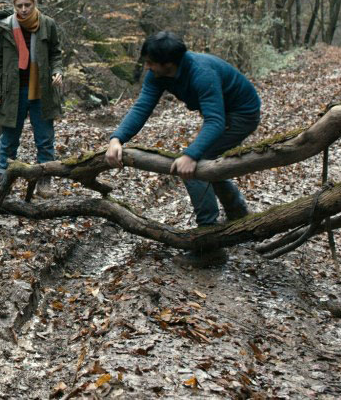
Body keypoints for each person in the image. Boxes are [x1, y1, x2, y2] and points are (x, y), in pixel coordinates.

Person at [105, 31, 260, 267]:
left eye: (150, 63)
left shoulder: (202, 73)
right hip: (222, 114)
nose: (147, 67)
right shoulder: (158, 75)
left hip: (241, 114)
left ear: (168, 64)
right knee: (206, 162)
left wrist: (190, 155)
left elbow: (215, 122)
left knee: (195, 168)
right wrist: (117, 139)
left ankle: (210, 244)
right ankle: (238, 214)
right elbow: (142, 107)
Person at [0, 0, 64, 190]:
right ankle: (4, 181)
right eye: (19, 5)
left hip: (41, 90)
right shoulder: (4, 27)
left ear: (34, 4)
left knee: (45, 138)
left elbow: (56, 53)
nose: (23, 9)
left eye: (27, 5)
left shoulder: (47, 24)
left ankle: (45, 179)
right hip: (12, 91)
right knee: (9, 139)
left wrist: (57, 71)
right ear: (14, 6)